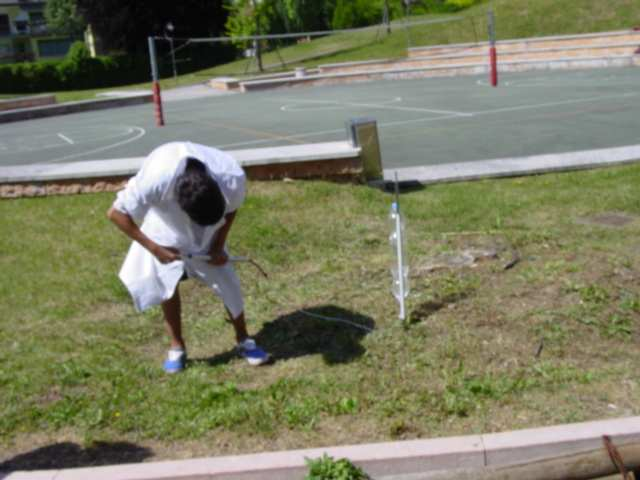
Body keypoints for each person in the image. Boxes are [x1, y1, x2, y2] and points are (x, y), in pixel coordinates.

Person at [107, 141, 269, 373]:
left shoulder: (230, 175)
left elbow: (232, 209)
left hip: (209, 236)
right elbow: (115, 214)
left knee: (228, 283)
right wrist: (155, 249)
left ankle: (244, 340)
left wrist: (218, 245)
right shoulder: (155, 181)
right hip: (163, 231)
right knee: (166, 285)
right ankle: (177, 347)